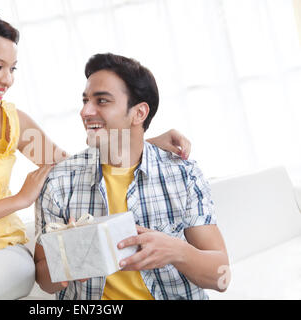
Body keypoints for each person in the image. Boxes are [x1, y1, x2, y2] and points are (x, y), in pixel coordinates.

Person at [0, 10, 191, 300]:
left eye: (12, 69)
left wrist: (144, 141)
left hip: (1, 251)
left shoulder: (13, 121)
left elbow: (72, 167)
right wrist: (18, 200)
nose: (7, 80)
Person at [34, 53, 230, 300]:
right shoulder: (60, 181)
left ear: (139, 113)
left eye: (102, 101)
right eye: (85, 101)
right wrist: (67, 261)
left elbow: (221, 277)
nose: (85, 111)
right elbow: (43, 278)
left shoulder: (183, 174)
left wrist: (177, 251)